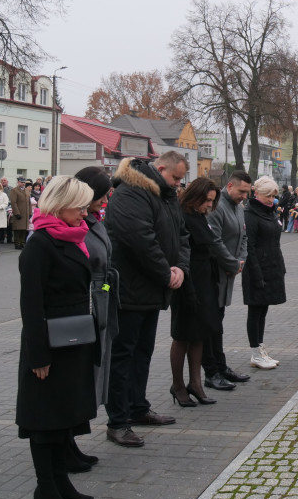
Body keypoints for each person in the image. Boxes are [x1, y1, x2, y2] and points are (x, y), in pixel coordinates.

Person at [15, 175, 97, 499]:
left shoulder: (74, 237)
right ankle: (46, 489)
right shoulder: (40, 244)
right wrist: (39, 355)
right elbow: (31, 305)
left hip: (73, 339)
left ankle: (60, 482)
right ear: (58, 205)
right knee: (44, 420)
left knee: (63, 416)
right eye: (79, 207)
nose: (85, 213)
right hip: (49, 343)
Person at [103, 151, 190, 448]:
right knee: (122, 356)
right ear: (160, 168)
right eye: (176, 178)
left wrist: (180, 267)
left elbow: (181, 236)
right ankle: (117, 421)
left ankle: (137, 408)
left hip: (151, 290)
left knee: (142, 353)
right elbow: (139, 239)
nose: (179, 184)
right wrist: (165, 272)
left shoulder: (164, 194)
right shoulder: (132, 192)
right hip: (129, 289)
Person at [72, 166, 115, 470]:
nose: (106, 199)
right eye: (102, 194)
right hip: (88, 305)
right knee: (81, 374)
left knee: (94, 373)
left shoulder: (93, 221)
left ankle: (73, 438)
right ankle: (67, 439)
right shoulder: (77, 225)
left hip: (103, 299)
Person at [169, 178, 223, 407]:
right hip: (187, 282)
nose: (209, 206)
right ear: (196, 197)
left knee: (199, 334)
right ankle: (178, 385)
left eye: (212, 201)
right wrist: (187, 285)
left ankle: (196, 383)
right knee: (183, 336)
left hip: (205, 282)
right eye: (207, 201)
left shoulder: (200, 217)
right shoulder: (181, 216)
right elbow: (180, 252)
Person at [203, 171, 251, 392]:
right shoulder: (217, 206)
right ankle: (212, 371)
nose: (244, 196)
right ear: (230, 186)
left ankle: (221, 367)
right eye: (241, 191)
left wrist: (241, 259)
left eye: (247, 193)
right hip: (214, 274)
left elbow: (243, 236)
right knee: (211, 325)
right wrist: (233, 263)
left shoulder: (238, 207)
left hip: (228, 273)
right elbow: (214, 241)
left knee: (218, 323)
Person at [242, 177, 287, 370]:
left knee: (263, 310)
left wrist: (280, 266)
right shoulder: (250, 213)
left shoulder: (270, 212)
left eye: (273, 196)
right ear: (257, 193)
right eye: (268, 196)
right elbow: (249, 246)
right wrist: (256, 273)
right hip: (257, 269)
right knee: (255, 310)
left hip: (272, 267)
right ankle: (255, 353)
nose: (271, 199)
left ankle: (260, 349)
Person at [9, 177, 32, 249]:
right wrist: (16, 213)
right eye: (21, 182)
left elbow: (29, 202)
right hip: (19, 212)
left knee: (24, 229)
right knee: (18, 229)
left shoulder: (26, 191)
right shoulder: (14, 190)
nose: (23, 184)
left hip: (26, 212)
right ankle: (17, 243)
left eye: (24, 182)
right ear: (18, 182)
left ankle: (23, 242)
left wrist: (30, 212)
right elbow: (13, 202)